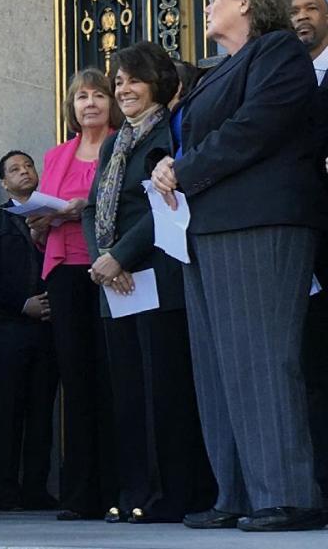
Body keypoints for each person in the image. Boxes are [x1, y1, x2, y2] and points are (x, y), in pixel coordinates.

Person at [151, 0, 327, 532]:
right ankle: (238, 493)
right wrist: (168, 165)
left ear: (247, 2)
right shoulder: (217, 71)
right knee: (219, 367)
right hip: (207, 229)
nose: (206, 6)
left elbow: (255, 128)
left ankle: (288, 494)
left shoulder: (278, 52)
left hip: (261, 221)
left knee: (262, 359)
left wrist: (187, 167)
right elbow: (197, 138)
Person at [83, 41, 214, 523]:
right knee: (129, 394)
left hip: (158, 274)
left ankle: (172, 494)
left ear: (157, 83)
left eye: (133, 79)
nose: (124, 89)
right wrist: (102, 258)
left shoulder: (171, 132)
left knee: (166, 392)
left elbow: (162, 208)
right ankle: (134, 491)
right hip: (115, 284)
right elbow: (94, 205)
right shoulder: (116, 142)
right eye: (118, 82)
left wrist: (120, 255)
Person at [31, 68, 120, 521]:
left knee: (111, 375)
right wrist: (42, 220)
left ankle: (118, 489)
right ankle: (79, 494)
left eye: (99, 95)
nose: (90, 103)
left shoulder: (122, 146)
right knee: (76, 379)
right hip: (65, 270)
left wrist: (84, 207)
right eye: (82, 96)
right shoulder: (56, 155)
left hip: (112, 269)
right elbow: (42, 218)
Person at [0, 150, 58, 513]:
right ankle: (4, 491)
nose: (24, 172)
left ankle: (36, 488)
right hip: (8, 326)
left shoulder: (56, 216)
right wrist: (23, 303)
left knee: (42, 409)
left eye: (28, 166)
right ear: (4, 183)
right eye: (14, 170)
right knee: (7, 408)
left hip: (50, 327)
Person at [291, 0, 328, 507]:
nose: (301, 18)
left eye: (311, 8)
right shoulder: (284, 79)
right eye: (292, 11)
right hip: (301, 245)